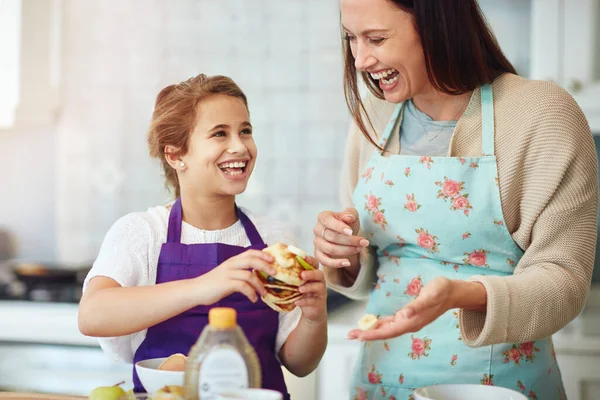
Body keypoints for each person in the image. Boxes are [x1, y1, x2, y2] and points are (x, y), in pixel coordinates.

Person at [313, 0, 598, 399]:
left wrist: (461, 294)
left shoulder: (541, 114)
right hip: (381, 378)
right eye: (351, 40)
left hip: (496, 384)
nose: (360, 61)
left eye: (376, 38)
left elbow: (564, 281)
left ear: (436, 21)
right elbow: (368, 257)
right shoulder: (375, 113)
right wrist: (340, 250)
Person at [78, 74, 328, 398]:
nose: (239, 146)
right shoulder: (143, 232)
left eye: (246, 131)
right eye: (219, 134)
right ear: (175, 155)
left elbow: (298, 362)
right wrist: (203, 287)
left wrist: (313, 316)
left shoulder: (272, 236)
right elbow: (93, 314)